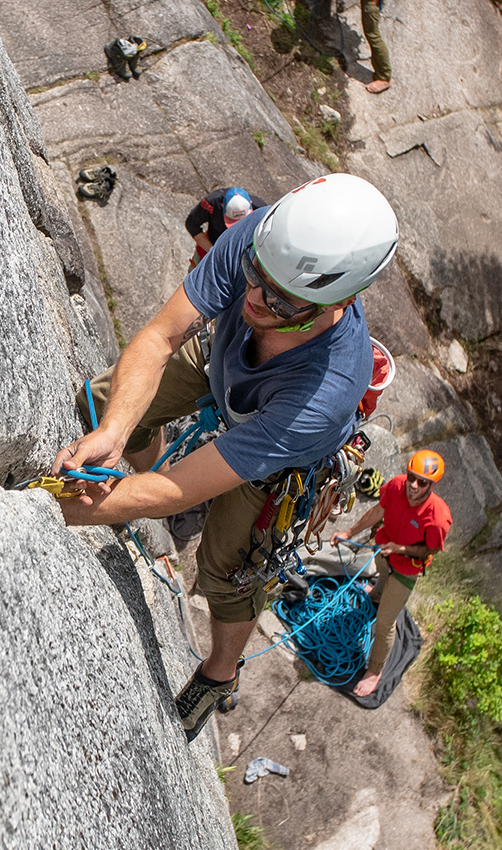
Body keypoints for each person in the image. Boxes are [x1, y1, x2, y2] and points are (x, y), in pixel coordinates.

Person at [51, 173, 399, 740]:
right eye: (255, 277)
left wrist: (64, 508)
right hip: (222, 358)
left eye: (283, 298)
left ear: (341, 299)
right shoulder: (267, 239)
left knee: (229, 573)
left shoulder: (327, 390)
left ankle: (219, 672)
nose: (257, 297)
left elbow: (184, 488)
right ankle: (138, 466)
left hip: (273, 453)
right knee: (104, 402)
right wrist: (115, 430)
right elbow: (162, 337)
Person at [332, 450, 452, 696]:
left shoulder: (438, 518)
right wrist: (349, 533)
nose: (413, 485)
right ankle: (376, 595)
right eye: (411, 477)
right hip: (384, 551)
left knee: (385, 623)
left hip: (407, 569)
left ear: (431, 485)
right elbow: (377, 511)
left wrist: (401, 549)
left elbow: (431, 549)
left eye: (422, 482)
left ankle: (374, 671)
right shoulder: (397, 486)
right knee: (380, 579)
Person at [185, 187, 255, 268]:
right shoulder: (212, 203)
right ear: (222, 206)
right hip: (209, 249)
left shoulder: (262, 209)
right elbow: (191, 224)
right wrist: (211, 251)